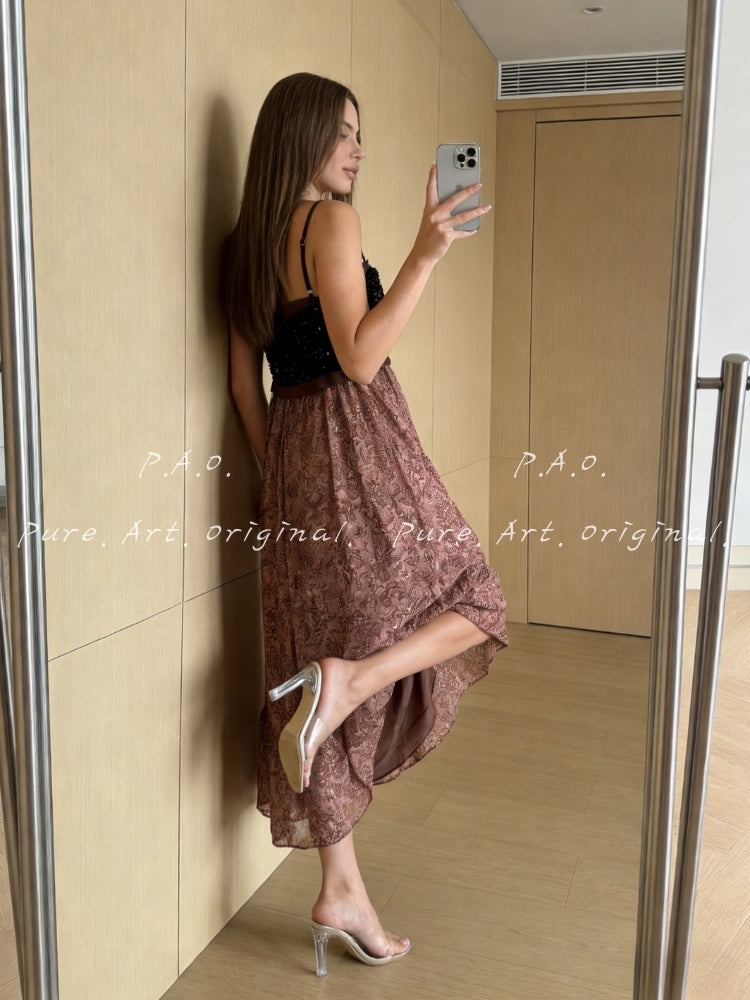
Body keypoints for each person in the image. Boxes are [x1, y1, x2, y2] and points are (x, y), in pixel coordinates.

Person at [223, 72, 507, 977]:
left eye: (359, 133)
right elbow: (358, 357)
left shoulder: (244, 245)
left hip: (293, 468)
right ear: (301, 134)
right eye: (343, 132)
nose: (359, 149)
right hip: (360, 447)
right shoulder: (330, 223)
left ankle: (341, 886)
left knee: (315, 657)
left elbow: (245, 387)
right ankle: (357, 680)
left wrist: (279, 488)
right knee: (477, 599)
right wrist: (424, 255)